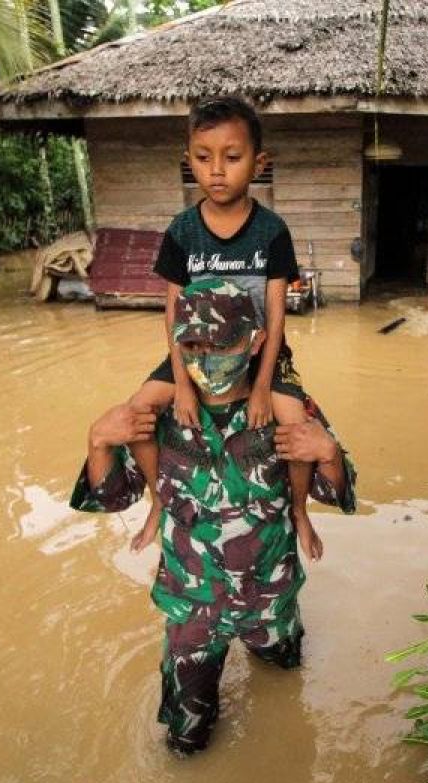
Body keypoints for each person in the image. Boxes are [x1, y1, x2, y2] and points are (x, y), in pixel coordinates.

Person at [71, 278, 356, 754]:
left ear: (254, 341)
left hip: (271, 597)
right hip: (193, 606)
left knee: (286, 686)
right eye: (193, 345)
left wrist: (329, 453)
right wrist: (96, 440)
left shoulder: (287, 408)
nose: (205, 358)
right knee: (186, 736)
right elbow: (114, 496)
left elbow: (334, 490)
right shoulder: (157, 415)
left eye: (220, 343)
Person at [126, 95, 324, 564]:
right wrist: (182, 385)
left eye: (232, 158)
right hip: (195, 353)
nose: (217, 170)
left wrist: (260, 387)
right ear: (188, 160)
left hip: (260, 352)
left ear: (259, 163)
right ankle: (158, 499)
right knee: (137, 410)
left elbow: (276, 316)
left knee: (294, 419)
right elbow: (173, 315)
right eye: (202, 157)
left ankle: (298, 510)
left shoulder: (272, 230)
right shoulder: (182, 231)